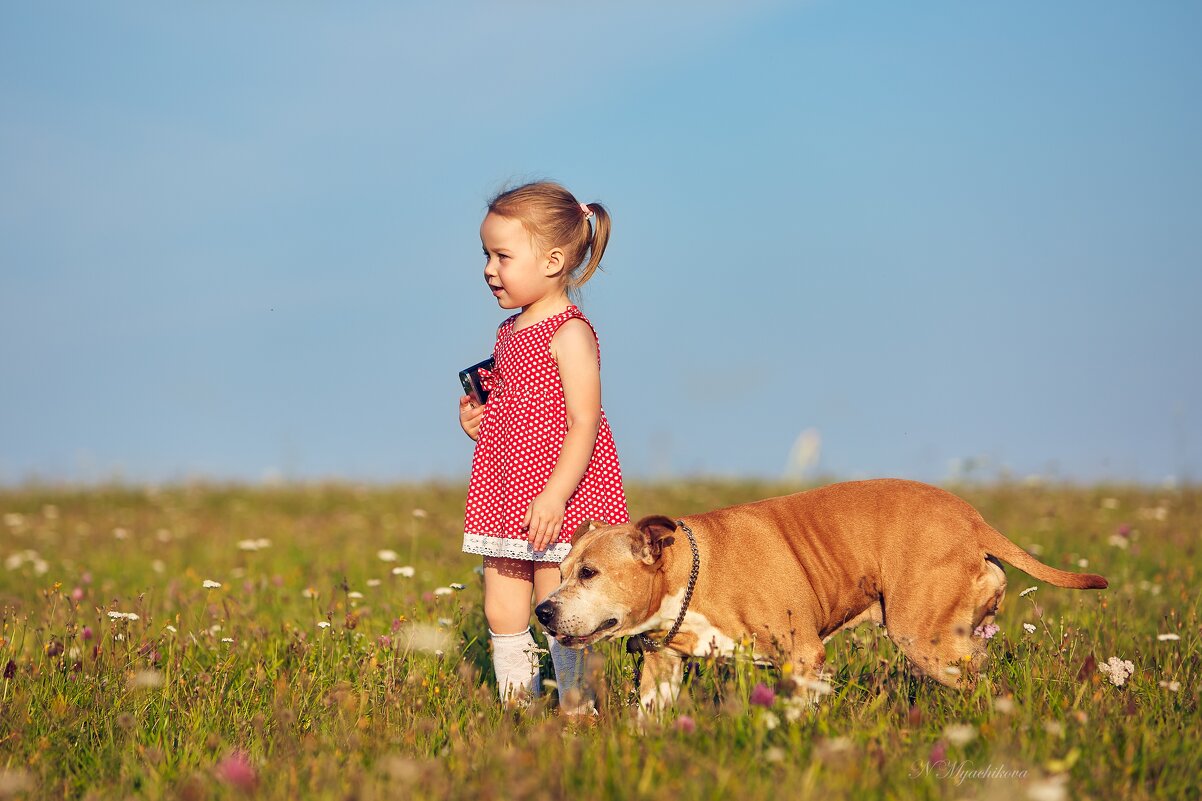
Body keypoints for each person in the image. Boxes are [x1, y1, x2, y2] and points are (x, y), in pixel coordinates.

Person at [458, 181, 628, 710]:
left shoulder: (569, 332)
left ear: (553, 260)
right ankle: (521, 709)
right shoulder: (508, 333)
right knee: (502, 608)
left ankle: (579, 707)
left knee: (562, 608)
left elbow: (583, 422)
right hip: (508, 494)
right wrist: (481, 425)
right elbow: (518, 412)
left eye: (502, 256)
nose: (489, 268)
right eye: (486, 255)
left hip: (562, 496)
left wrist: (555, 496)